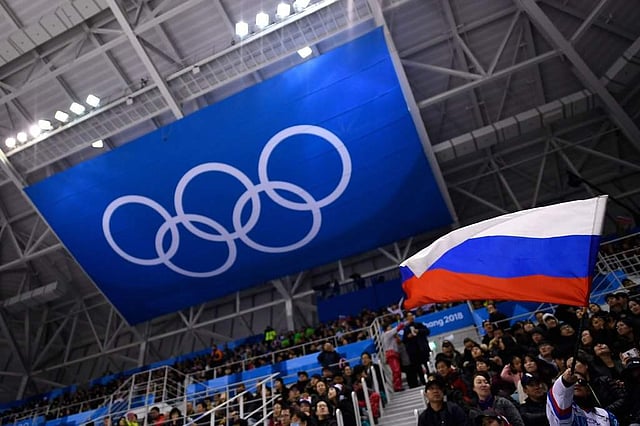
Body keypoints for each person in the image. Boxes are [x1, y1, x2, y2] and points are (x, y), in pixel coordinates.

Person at [547, 367, 619, 425]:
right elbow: (560, 399)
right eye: (572, 382)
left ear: (588, 390)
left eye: (581, 381)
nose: (577, 384)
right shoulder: (559, 413)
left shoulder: (606, 415)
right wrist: (564, 381)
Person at [402, 312, 431, 387]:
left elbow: (427, 331)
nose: (411, 317)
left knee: (426, 365)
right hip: (414, 352)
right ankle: (422, 381)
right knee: (418, 368)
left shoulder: (419, 325)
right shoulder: (406, 328)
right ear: (406, 318)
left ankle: (430, 379)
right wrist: (408, 337)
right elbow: (404, 340)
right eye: (409, 316)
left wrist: (418, 331)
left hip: (422, 349)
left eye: (412, 315)